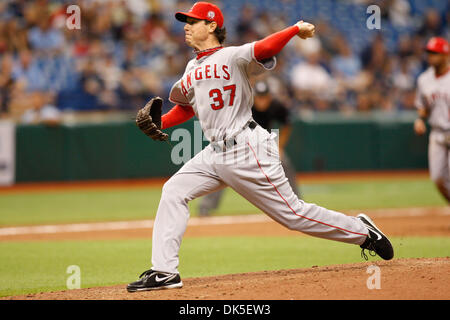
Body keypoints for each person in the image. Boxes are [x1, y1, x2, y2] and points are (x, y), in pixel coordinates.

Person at [127, 2, 394, 292]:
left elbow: (264, 48)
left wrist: (293, 29)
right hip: (214, 152)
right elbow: (188, 107)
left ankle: (361, 231)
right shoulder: (192, 67)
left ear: (213, 25)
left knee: (293, 215)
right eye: (185, 21)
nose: (187, 26)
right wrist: (162, 123)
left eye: (193, 21)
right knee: (174, 191)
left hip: (247, 148)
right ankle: (165, 272)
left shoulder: (233, 56)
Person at [198, 80, 300, 216]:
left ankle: (297, 203)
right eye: (259, 97)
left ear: (269, 96)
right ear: (253, 96)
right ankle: (206, 206)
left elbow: (287, 125)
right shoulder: (244, 105)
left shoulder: (276, 106)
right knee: (222, 166)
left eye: (264, 97)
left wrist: (279, 146)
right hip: (238, 139)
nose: (261, 100)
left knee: (285, 164)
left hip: (264, 141)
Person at [413, 37, 450, 203]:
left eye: (435, 53)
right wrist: (420, 119)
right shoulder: (423, 80)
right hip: (437, 133)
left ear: (445, 55)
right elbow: (423, 106)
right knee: (437, 179)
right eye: (429, 52)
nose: (431, 56)